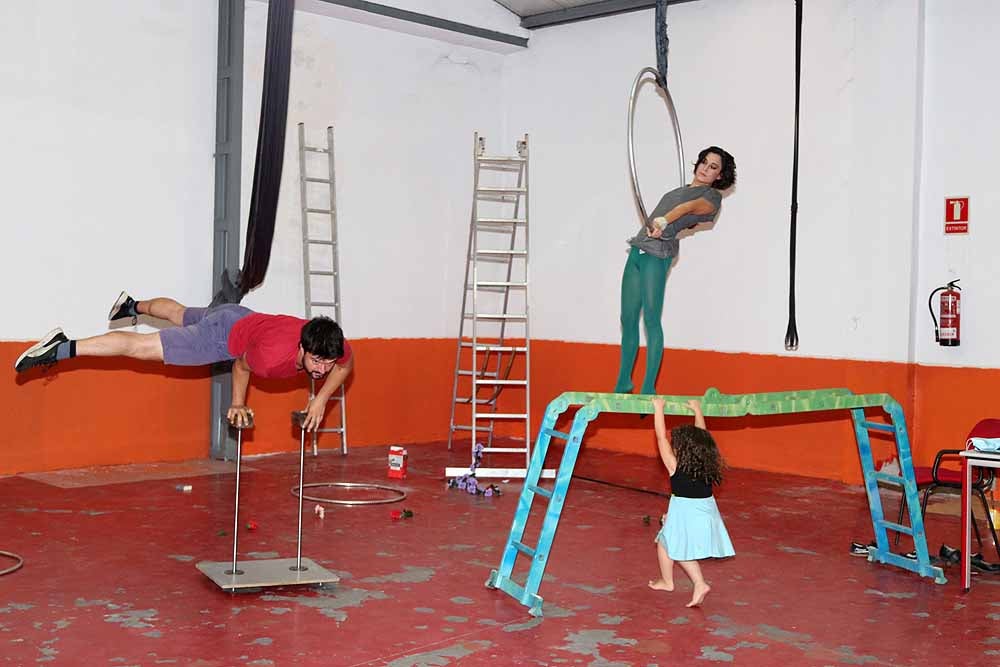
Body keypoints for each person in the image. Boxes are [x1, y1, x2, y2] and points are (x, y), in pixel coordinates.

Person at [14, 291, 352, 431]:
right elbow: (241, 366)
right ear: (303, 347)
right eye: (317, 361)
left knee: (178, 313)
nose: (322, 369)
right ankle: (63, 346)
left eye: (327, 362)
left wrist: (321, 398)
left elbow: (345, 364)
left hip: (235, 315)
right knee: (141, 348)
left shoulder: (327, 339)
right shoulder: (271, 358)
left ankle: (131, 305)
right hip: (220, 338)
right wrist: (237, 403)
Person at [614, 146, 736, 395]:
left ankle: (649, 386)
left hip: (657, 254)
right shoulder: (676, 191)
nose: (705, 168)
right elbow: (680, 205)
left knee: (650, 319)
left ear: (720, 176)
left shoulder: (712, 198)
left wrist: (663, 221)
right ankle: (624, 381)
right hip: (638, 250)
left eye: (713, 166)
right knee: (627, 319)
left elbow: (687, 209)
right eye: (704, 162)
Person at [648, 397, 734, 607]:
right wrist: (697, 410)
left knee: (676, 547)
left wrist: (658, 409)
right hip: (705, 510)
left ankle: (697, 583)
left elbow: (661, 438)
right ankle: (669, 581)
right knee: (665, 541)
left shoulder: (675, 466)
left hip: (686, 511)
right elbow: (702, 436)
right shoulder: (705, 463)